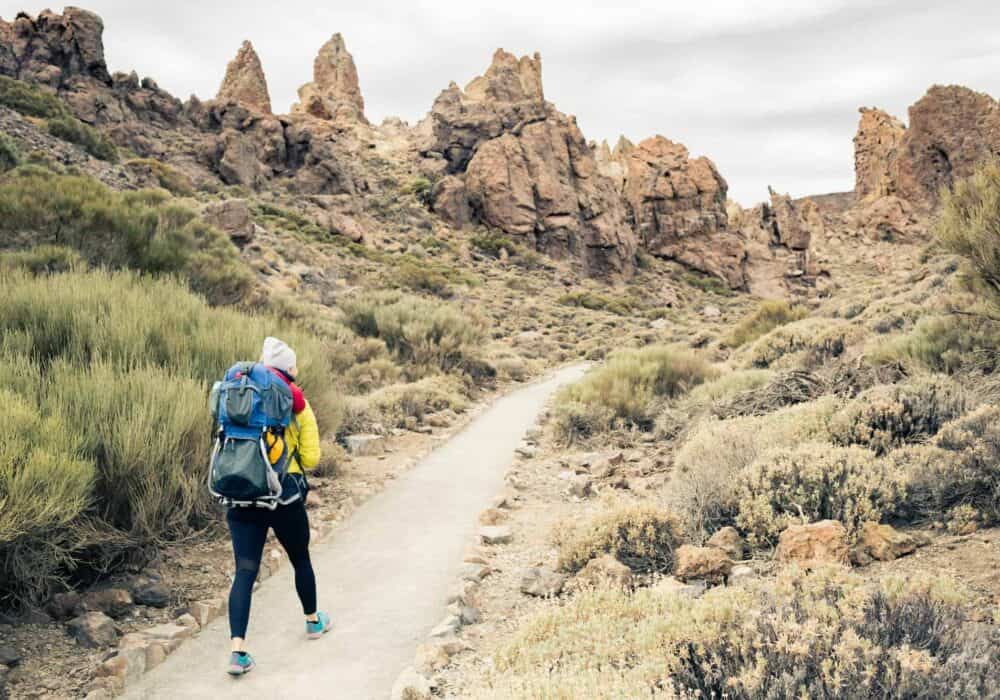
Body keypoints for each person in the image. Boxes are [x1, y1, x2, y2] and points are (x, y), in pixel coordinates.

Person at [225, 337, 331, 676]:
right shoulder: (297, 403)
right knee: (300, 558)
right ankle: (313, 622)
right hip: (283, 495)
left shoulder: (239, 394)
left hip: (241, 491)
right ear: (290, 370)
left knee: (244, 570)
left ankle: (238, 651)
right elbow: (312, 458)